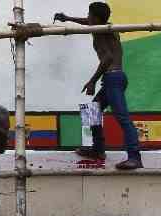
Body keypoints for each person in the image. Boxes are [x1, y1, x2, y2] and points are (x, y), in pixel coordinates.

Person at [55, 3, 144, 170]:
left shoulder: (100, 33)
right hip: (116, 77)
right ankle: (98, 149)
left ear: (95, 18)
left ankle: (134, 157)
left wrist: (92, 81)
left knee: (122, 118)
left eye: (89, 15)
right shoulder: (107, 26)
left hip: (113, 78)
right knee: (92, 110)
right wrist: (68, 18)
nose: (87, 17)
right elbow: (86, 22)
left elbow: (107, 58)